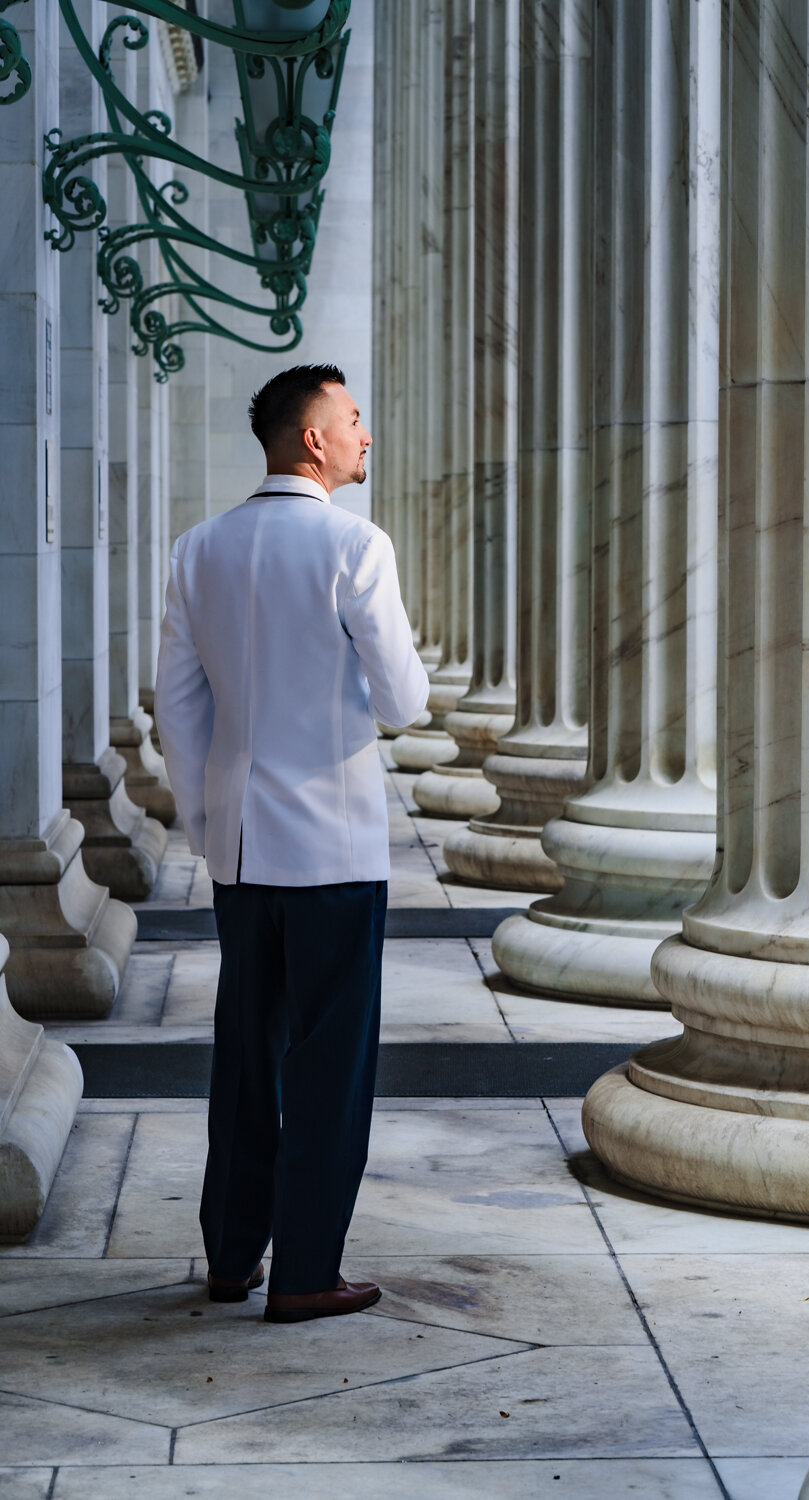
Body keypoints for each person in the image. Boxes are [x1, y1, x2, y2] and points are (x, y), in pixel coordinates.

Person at [154, 364, 428, 1324]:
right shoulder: (355, 545)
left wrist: (211, 825)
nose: (363, 435)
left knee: (244, 1053)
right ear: (312, 438)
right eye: (353, 419)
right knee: (330, 1065)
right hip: (336, 853)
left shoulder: (198, 549)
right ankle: (307, 1269)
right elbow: (403, 702)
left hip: (240, 848)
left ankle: (232, 1257)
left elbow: (179, 718)